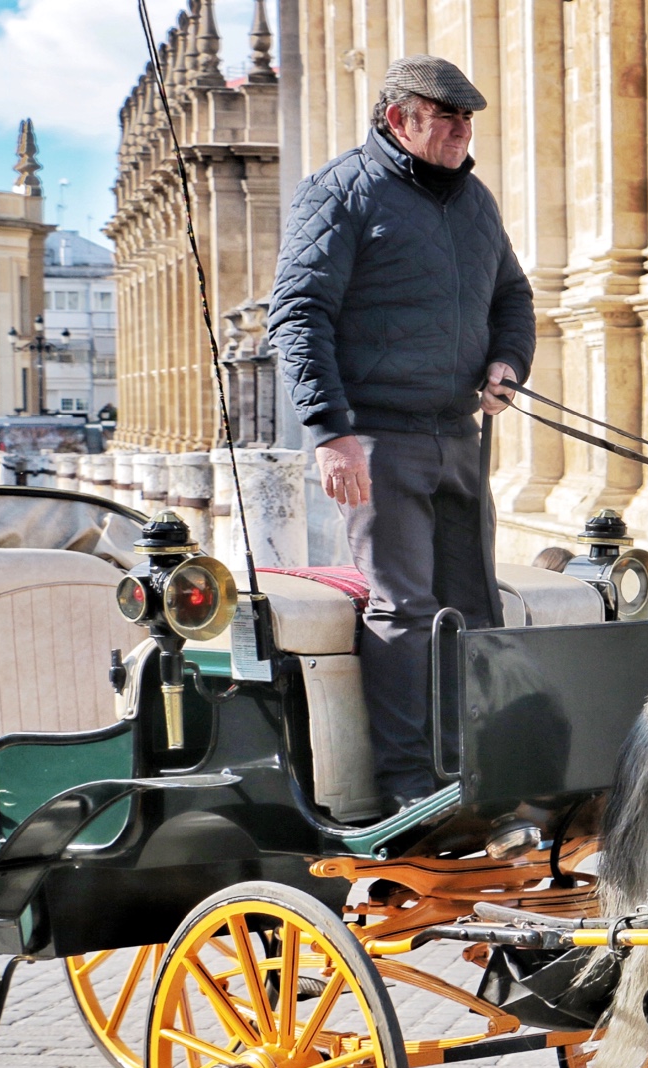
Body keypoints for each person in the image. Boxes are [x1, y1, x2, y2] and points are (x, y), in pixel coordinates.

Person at [270, 54, 536, 815]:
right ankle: (409, 787)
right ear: (399, 119)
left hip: (457, 437)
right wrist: (329, 432)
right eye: (446, 116)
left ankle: (477, 773)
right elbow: (297, 315)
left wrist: (506, 360)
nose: (462, 130)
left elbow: (513, 297)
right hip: (377, 440)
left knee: (474, 608)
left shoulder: (477, 203)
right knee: (405, 611)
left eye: (467, 119)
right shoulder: (341, 191)